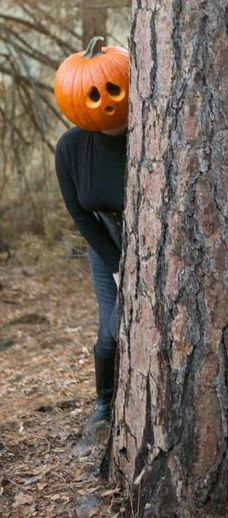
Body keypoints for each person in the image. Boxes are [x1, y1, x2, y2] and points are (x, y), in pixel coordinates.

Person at [54, 37, 128, 436]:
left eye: (114, 89)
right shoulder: (70, 148)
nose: (107, 102)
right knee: (112, 328)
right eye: (94, 95)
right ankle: (104, 400)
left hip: (153, 243)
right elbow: (80, 214)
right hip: (106, 242)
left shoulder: (156, 135)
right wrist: (117, 265)